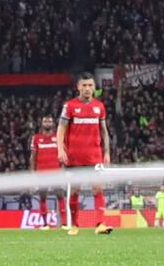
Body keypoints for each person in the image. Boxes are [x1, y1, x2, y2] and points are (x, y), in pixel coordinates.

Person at [58, 72, 114, 236]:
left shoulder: (99, 106)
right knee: (75, 190)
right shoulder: (69, 106)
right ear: (78, 87)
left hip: (95, 156)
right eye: (84, 85)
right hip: (74, 157)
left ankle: (100, 224)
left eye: (90, 85)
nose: (87, 88)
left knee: (98, 188)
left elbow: (104, 131)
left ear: (94, 87)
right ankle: (74, 225)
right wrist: (60, 149)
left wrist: (107, 153)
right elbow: (61, 129)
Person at [31, 115, 63, 229]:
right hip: (42, 173)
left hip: (56, 172)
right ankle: (45, 224)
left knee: (60, 195)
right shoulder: (36, 138)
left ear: (53, 124)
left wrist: (62, 170)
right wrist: (33, 173)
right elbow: (33, 156)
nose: (47, 123)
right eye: (45, 121)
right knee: (43, 197)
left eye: (49, 121)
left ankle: (64, 224)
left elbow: (62, 154)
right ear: (42, 123)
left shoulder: (58, 137)